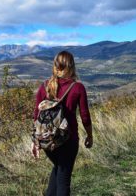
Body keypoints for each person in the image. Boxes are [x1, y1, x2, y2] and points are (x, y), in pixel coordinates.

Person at [32, 51, 93, 196]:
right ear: (71, 66)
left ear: (55, 66)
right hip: (68, 140)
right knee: (63, 180)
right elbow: (85, 116)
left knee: (59, 170)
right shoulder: (77, 87)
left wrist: (35, 141)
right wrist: (90, 135)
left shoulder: (45, 86)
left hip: (47, 141)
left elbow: (36, 115)